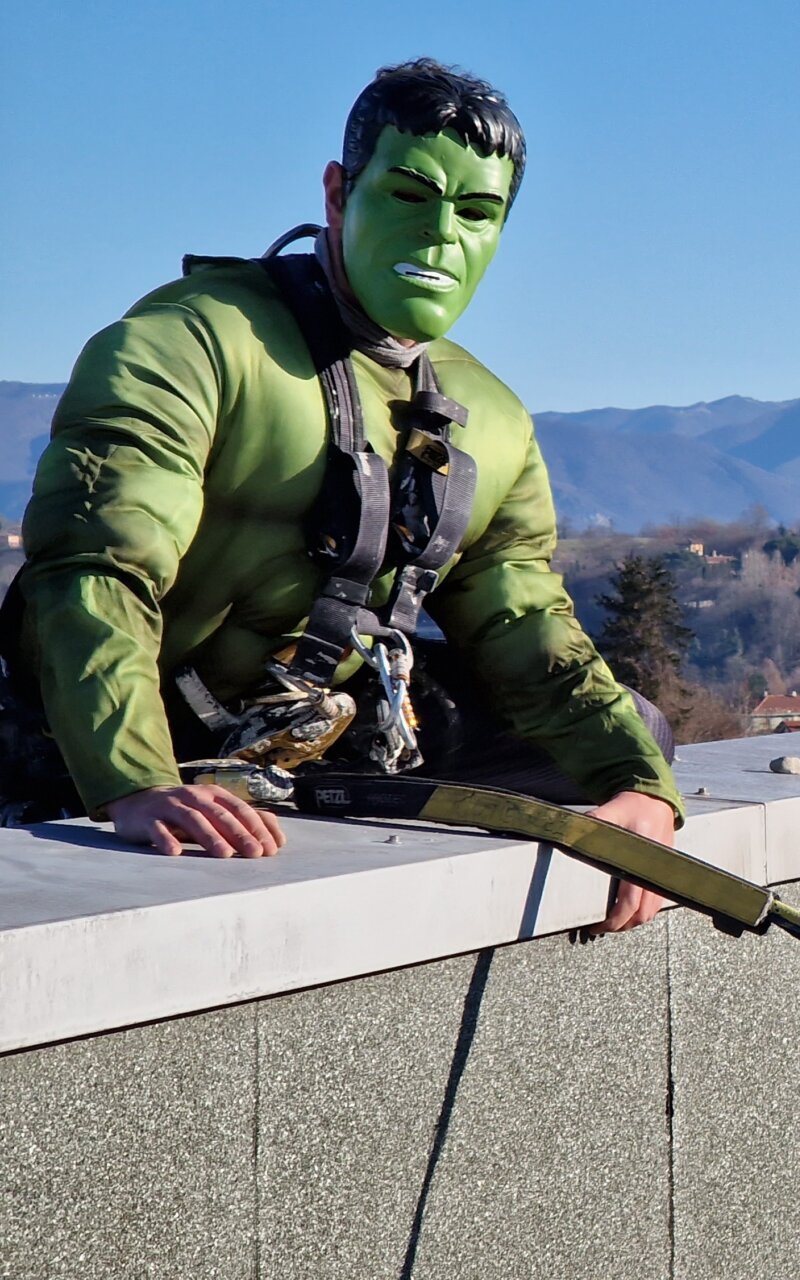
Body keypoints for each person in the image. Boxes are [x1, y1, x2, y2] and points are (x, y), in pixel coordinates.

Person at [1, 59, 681, 931]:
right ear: (338, 192)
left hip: (315, 742)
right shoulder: (189, 342)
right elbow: (99, 568)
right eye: (410, 196)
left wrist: (637, 789)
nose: (442, 237)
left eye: (477, 214)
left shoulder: (492, 420)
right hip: (87, 738)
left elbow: (521, 620)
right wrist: (132, 780)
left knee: (636, 733)